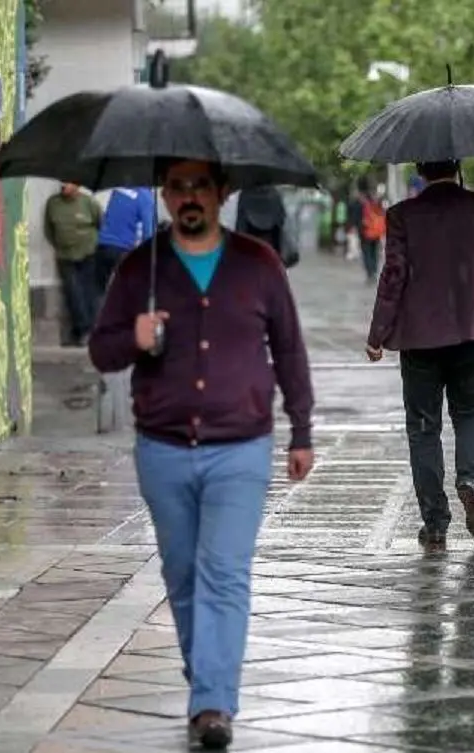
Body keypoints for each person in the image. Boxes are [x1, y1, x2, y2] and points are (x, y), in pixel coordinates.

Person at [88, 160, 314, 750]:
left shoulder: (258, 265)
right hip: (162, 450)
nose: (189, 198)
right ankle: (206, 679)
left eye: (200, 187)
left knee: (225, 573)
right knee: (183, 574)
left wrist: (302, 431)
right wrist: (131, 338)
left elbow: (289, 347)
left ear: (222, 194)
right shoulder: (141, 269)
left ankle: (213, 703)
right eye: (178, 187)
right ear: (165, 196)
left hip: (241, 447)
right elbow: (101, 351)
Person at [364, 160, 474, 551]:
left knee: (423, 429)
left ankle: (435, 524)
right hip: (472, 332)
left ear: (420, 167)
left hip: (419, 339)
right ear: (458, 165)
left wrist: (377, 333)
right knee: (471, 415)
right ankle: (470, 480)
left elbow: (393, 276)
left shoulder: (402, 215)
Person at [43, 182, 102, 346]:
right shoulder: (53, 203)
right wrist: (58, 245)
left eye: (68, 183)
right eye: (62, 183)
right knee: (73, 293)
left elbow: (100, 222)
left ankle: (91, 330)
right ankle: (82, 329)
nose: (64, 186)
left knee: (88, 291)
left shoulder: (88, 202)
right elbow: (48, 229)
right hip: (65, 255)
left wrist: (92, 244)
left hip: (88, 253)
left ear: (77, 185)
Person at [95, 185, 156, 291]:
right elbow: (148, 231)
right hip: (123, 247)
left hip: (103, 244)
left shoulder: (118, 190)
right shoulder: (145, 196)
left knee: (100, 288)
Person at [234, 185, 296, 268]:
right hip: (271, 249)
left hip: (251, 249)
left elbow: (240, 225)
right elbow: (281, 221)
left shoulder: (245, 194)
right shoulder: (275, 194)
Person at [346, 178, 385, 282]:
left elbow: (354, 216)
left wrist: (352, 226)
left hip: (364, 230)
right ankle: (374, 270)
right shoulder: (374, 199)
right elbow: (381, 212)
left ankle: (370, 273)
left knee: (366, 251)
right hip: (375, 230)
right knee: (374, 251)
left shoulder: (358, 201)